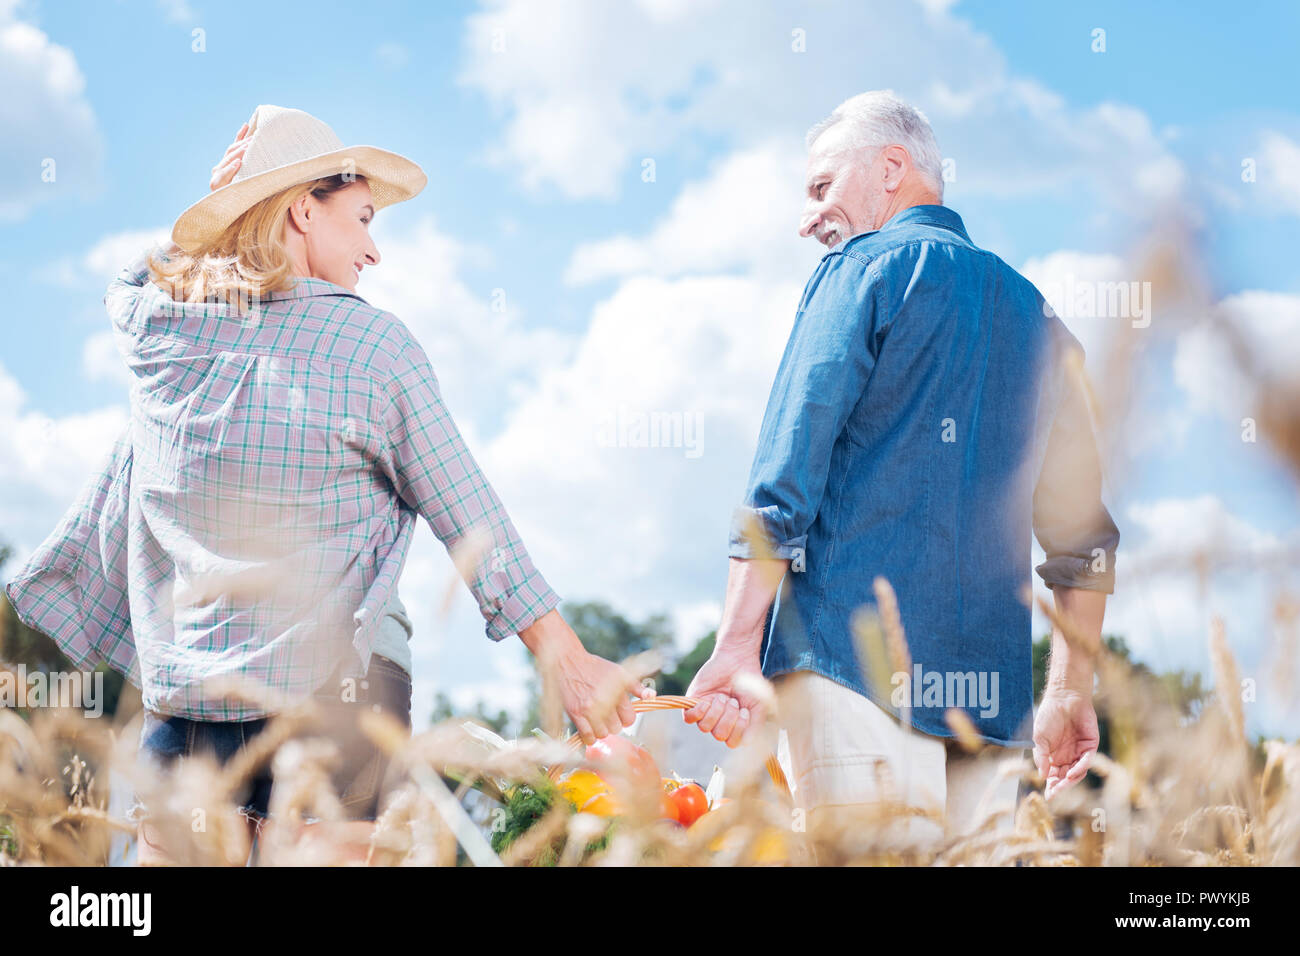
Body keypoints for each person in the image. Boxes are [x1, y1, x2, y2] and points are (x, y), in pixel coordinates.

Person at [5, 105, 650, 865]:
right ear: (304, 208)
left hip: (191, 693)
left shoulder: (160, 333)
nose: (375, 251)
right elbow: (469, 514)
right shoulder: (372, 345)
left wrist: (221, 209)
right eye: (365, 218)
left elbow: (128, 280)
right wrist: (568, 662)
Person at [682, 90, 1120, 851]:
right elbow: (1085, 542)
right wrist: (1068, 692)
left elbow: (783, 483)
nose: (807, 218)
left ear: (892, 168)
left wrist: (734, 648)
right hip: (991, 708)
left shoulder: (861, 271)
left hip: (848, 672)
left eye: (821, 187)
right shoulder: (1043, 320)